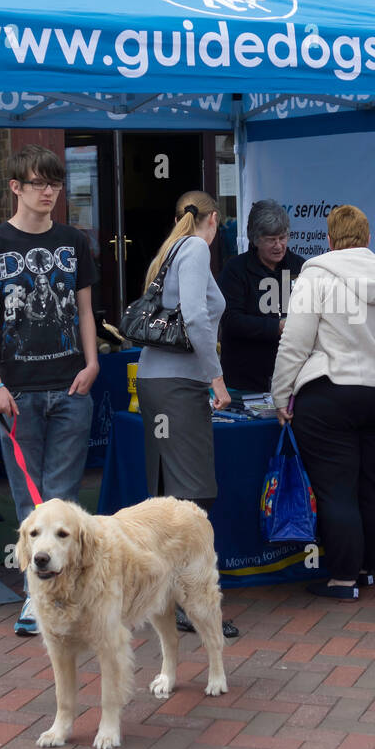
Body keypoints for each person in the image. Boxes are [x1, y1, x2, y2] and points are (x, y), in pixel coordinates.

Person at [0, 145, 100, 636]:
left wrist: (92, 362)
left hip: (70, 385)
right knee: (29, 503)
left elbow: (86, 310)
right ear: (16, 187)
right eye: (40, 183)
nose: (50, 192)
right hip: (15, 393)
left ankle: (63, 597)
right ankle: (36, 599)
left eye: (56, 184)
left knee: (61, 500)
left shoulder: (75, 242)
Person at [271, 204, 375, 601]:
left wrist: (281, 394)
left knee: (337, 490)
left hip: (332, 394)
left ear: (329, 240)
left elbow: (294, 343)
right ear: (367, 239)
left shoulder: (314, 277)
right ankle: (367, 568)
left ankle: (343, 579)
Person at [135, 190, 238, 638]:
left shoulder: (171, 249)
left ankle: (167, 596)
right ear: (214, 218)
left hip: (159, 381)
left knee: (171, 494)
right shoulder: (195, 248)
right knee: (193, 497)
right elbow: (196, 318)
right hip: (179, 384)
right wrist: (216, 378)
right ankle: (189, 602)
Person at [218, 199, 304, 391]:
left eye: (282, 238)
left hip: (291, 374)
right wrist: (276, 326)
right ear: (255, 239)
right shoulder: (235, 270)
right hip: (245, 377)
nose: (279, 245)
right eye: (271, 240)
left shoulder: (299, 266)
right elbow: (231, 320)